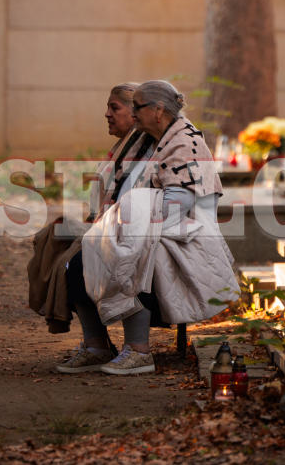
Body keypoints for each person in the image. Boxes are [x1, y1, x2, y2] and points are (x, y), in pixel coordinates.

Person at [80, 80, 239, 375]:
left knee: (130, 253)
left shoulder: (185, 142)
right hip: (144, 227)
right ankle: (95, 347)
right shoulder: (147, 138)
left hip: (184, 237)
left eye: (137, 107)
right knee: (76, 256)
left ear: (158, 110)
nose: (132, 114)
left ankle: (138, 351)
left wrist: (127, 214)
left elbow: (176, 206)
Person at [27, 83, 153, 372]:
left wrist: (94, 229)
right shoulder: (125, 146)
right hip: (114, 229)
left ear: (134, 113)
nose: (107, 114)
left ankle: (133, 349)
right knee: (58, 249)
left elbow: (131, 202)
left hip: (137, 237)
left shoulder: (145, 149)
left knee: (76, 264)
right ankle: (96, 346)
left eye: (114, 107)